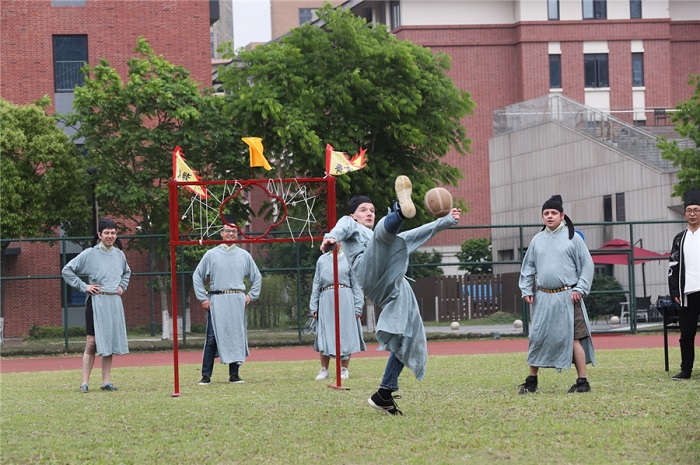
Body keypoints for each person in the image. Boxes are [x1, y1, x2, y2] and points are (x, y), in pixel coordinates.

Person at [321, 175, 461, 415]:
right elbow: (340, 228)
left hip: (394, 284)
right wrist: (330, 238)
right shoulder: (350, 224)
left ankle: (384, 394)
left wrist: (445, 221)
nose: (368, 212)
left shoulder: (382, 237)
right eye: (363, 209)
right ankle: (399, 212)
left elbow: (414, 236)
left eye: (372, 209)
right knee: (383, 235)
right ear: (354, 214)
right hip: (369, 271)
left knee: (409, 338)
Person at [518, 195, 595, 394]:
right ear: (542, 216)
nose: (550, 216)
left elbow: (587, 265)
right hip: (543, 297)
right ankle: (531, 381)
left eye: (553, 213)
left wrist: (580, 288)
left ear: (562, 215)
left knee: (574, 339)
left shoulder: (573, 238)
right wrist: (526, 289)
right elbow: (528, 268)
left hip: (569, 297)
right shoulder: (537, 240)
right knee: (537, 337)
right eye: (546, 213)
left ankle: (582, 381)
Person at [62, 218, 131, 393]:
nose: (110, 236)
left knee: (108, 343)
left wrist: (122, 286)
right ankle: (84, 383)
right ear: (99, 235)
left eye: (113, 232)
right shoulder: (89, 254)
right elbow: (67, 270)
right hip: (96, 302)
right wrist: (84, 287)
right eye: (106, 232)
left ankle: (106, 382)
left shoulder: (119, 255)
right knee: (91, 343)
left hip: (114, 302)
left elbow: (127, 272)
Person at [193, 216, 262, 385]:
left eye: (234, 231)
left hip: (236, 299)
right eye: (228, 231)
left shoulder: (244, 255)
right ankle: (206, 375)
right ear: (222, 233)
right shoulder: (211, 254)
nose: (231, 234)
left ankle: (234, 374)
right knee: (211, 337)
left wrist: (250, 295)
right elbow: (197, 275)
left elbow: (256, 277)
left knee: (236, 335)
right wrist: (203, 298)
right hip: (217, 299)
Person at [310, 245, 366, 381]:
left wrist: (358, 306)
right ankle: (324, 369)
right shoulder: (322, 260)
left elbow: (356, 284)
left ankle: (344, 369)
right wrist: (314, 305)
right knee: (325, 332)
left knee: (345, 333)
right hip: (326, 299)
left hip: (345, 298)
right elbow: (316, 283)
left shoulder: (349, 259)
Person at [668, 188, 700, 380]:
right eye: (689, 210)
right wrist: (674, 291)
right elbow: (673, 267)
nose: (693, 214)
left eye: (696, 210)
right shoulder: (679, 239)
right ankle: (686, 370)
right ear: (685, 213)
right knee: (686, 334)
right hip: (686, 293)